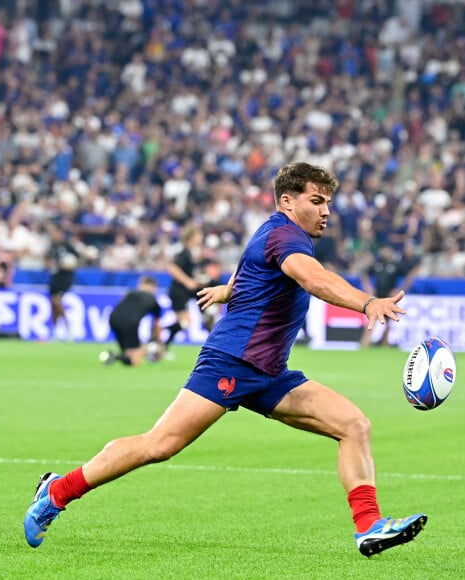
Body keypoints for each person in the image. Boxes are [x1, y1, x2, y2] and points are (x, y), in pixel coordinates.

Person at [23, 162, 426, 557]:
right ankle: (56, 492)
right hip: (232, 361)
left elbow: (255, 269)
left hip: (270, 372)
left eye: (328, 202)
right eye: (317, 200)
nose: (326, 211)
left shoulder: (274, 232)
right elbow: (313, 279)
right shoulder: (287, 238)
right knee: (159, 445)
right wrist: (367, 302)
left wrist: (228, 290)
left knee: (354, 425)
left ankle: (368, 527)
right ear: (288, 201)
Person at [359, 244, 420, 348]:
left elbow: (410, 274)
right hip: (377, 297)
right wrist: (368, 287)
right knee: (372, 319)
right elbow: (364, 273)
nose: (384, 252)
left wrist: (400, 289)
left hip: (389, 298)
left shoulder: (396, 265)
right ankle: (364, 343)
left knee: (388, 322)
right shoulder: (377, 264)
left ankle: (384, 343)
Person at [99, 275, 165, 367]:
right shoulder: (153, 301)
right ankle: (117, 356)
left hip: (113, 319)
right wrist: (160, 343)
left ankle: (114, 356)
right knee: (135, 361)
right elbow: (157, 325)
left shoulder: (131, 294)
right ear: (153, 287)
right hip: (131, 323)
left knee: (128, 352)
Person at [163, 223, 204, 350]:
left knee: (184, 323)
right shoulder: (185, 252)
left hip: (183, 292)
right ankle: (160, 334)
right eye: (198, 235)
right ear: (191, 237)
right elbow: (172, 268)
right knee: (184, 322)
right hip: (178, 292)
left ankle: (163, 346)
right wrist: (187, 281)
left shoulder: (191, 253)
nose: (201, 237)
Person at [46, 226, 79, 341]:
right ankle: (55, 332)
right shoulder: (52, 247)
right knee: (53, 304)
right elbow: (48, 261)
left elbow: (76, 259)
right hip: (55, 277)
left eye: (55, 233)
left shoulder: (67, 246)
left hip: (65, 277)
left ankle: (68, 328)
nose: (53, 235)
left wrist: (68, 265)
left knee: (56, 301)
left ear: (60, 234)